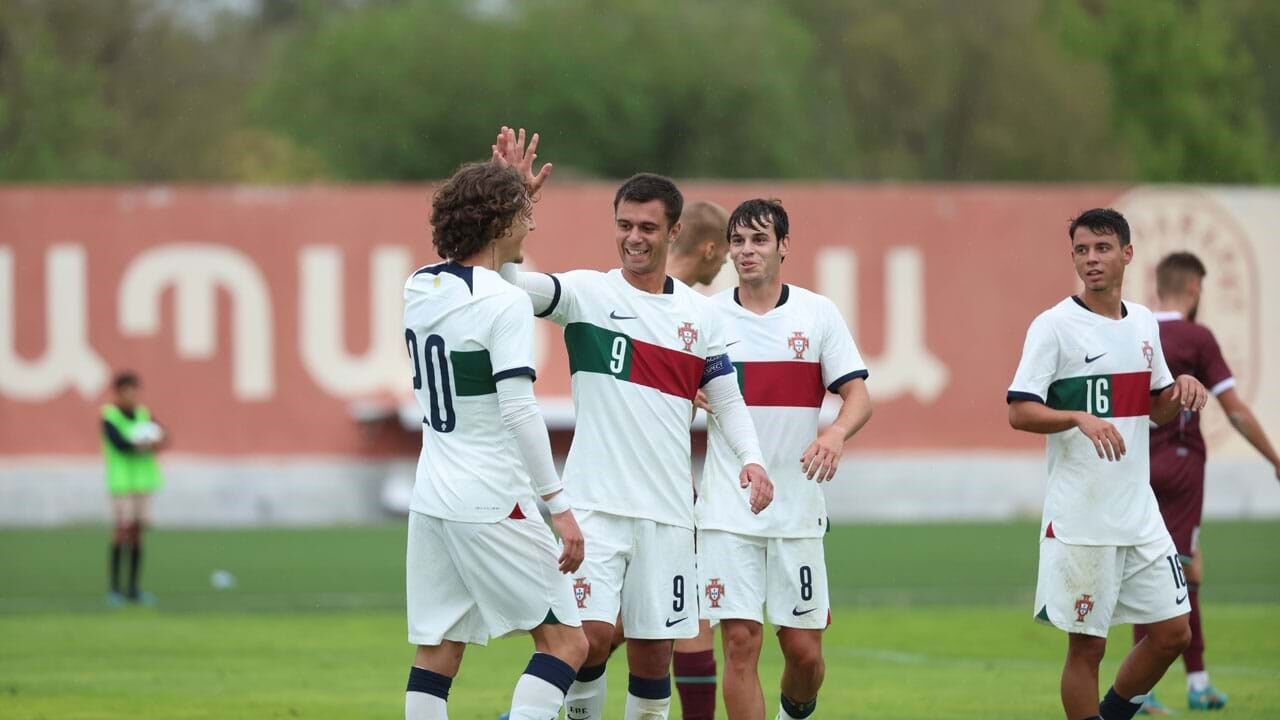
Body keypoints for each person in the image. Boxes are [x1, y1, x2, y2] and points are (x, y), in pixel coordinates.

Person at [493, 126, 773, 720]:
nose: (633, 238)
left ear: (673, 232)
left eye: (647, 228)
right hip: (595, 508)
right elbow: (507, 281)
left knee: (652, 658)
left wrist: (751, 459)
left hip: (669, 515)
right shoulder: (585, 295)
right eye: (624, 225)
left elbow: (726, 398)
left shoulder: (700, 316)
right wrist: (510, 204)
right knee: (589, 639)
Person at [402, 159, 588, 720]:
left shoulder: (420, 284)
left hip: (433, 494)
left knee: (437, 651)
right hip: (491, 497)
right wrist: (558, 507)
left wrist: (508, 195)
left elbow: (481, 281)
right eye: (525, 216)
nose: (531, 227)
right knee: (566, 644)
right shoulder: (503, 303)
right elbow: (519, 410)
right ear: (502, 220)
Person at [1007, 208, 1208, 720]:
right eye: (1081, 250)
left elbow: (1156, 406)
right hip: (1081, 516)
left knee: (1173, 633)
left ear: (1127, 253)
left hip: (1138, 514)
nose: (1091, 259)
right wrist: (1078, 416)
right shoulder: (1053, 326)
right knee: (1087, 650)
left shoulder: (1142, 323)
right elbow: (1019, 410)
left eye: (1101, 248)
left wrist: (1180, 389)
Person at [698, 198, 873, 720]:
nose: (746, 251)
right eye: (738, 241)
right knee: (741, 646)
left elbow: (859, 396)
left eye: (759, 240)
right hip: (728, 511)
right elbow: (670, 382)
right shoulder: (707, 317)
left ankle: (794, 711)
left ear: (783, 247)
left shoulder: (817, 314)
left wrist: (836, 433)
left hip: (797, 510)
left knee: (804, 654)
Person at [1133, 252, 1280, 715]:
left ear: (1159, 286)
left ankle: (1197, 682)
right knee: (1169, 573)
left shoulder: (1136, 330)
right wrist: (1274, 458)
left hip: (1136, 465)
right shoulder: (1197, 336)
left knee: (1176, 569)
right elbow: (1234, 409)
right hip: (1180, 465)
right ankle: (1147, 690)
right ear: (1195, 288)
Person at [101, 371, 166, 607]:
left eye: (135, 391)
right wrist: (141, 444)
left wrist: (158, 440)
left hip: (142, 483)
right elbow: (118, 443)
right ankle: (115, 589)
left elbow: (163, 436)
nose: (133, 396)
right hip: (121, 485)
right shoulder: (109, 416)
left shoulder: (143, 415)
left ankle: (134, 589)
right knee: (121, 533)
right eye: (128, 391)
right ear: (117, 393)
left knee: (138, 535)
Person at [666, 200, 731, 288]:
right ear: (710, 251)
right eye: (726, 252)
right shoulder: (684, 300)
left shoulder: (644, 285)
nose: (725, 261)